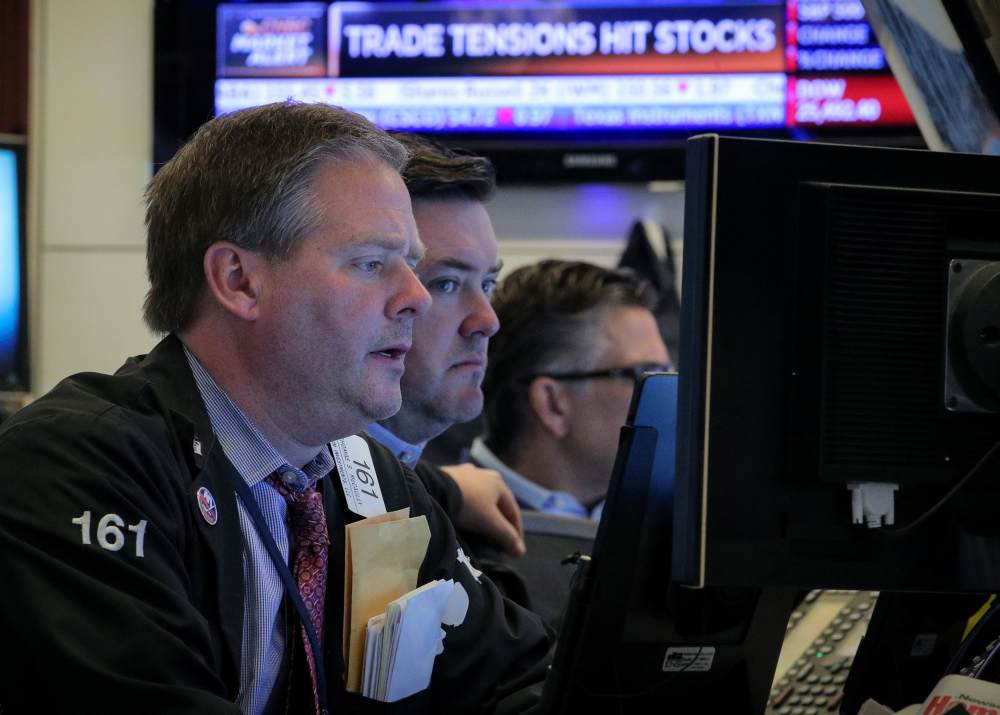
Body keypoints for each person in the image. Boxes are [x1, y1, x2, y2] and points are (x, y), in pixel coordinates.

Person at [0, 102, 550, 714]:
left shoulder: (369, 477)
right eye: (371, 264)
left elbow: (518, 680)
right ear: (238, 280)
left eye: (415, 268)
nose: (416, 299)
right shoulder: (79, 466)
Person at [365, 132, 525, 558]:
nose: (488, 321)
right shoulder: (291, 490)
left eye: (488, 284)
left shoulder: (420, 482)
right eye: (446, 283)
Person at [476, 259, 672, 521]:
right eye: (645, 376)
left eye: (666, 372)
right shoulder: (437, 524)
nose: (673, 401)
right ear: (552, 403)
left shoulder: (665, 519)